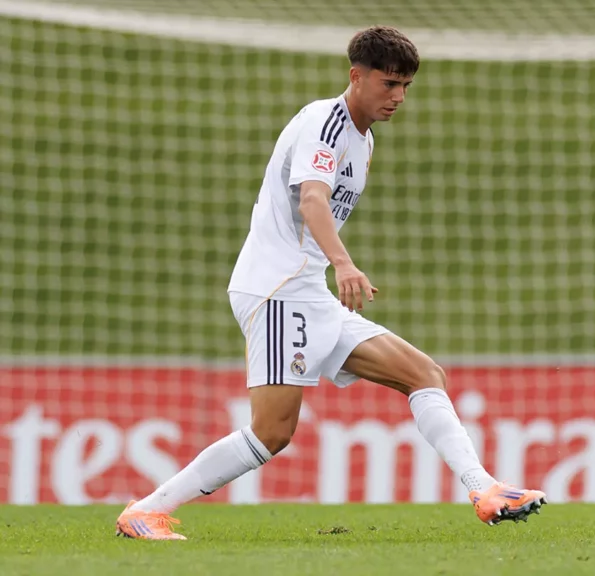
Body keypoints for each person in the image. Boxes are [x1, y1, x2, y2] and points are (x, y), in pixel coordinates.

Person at [115, 26, 545, 540]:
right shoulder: (324, 122)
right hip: (275, 291)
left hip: (306, 291)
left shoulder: (362, 141)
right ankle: (146, 509)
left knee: (423, 374)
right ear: (355, 76)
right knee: (272, 433)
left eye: (406, 86)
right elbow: (313, 200)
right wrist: (343, 263)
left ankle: (484, 489)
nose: (399, 97)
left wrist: (329, 269)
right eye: (389, 84)